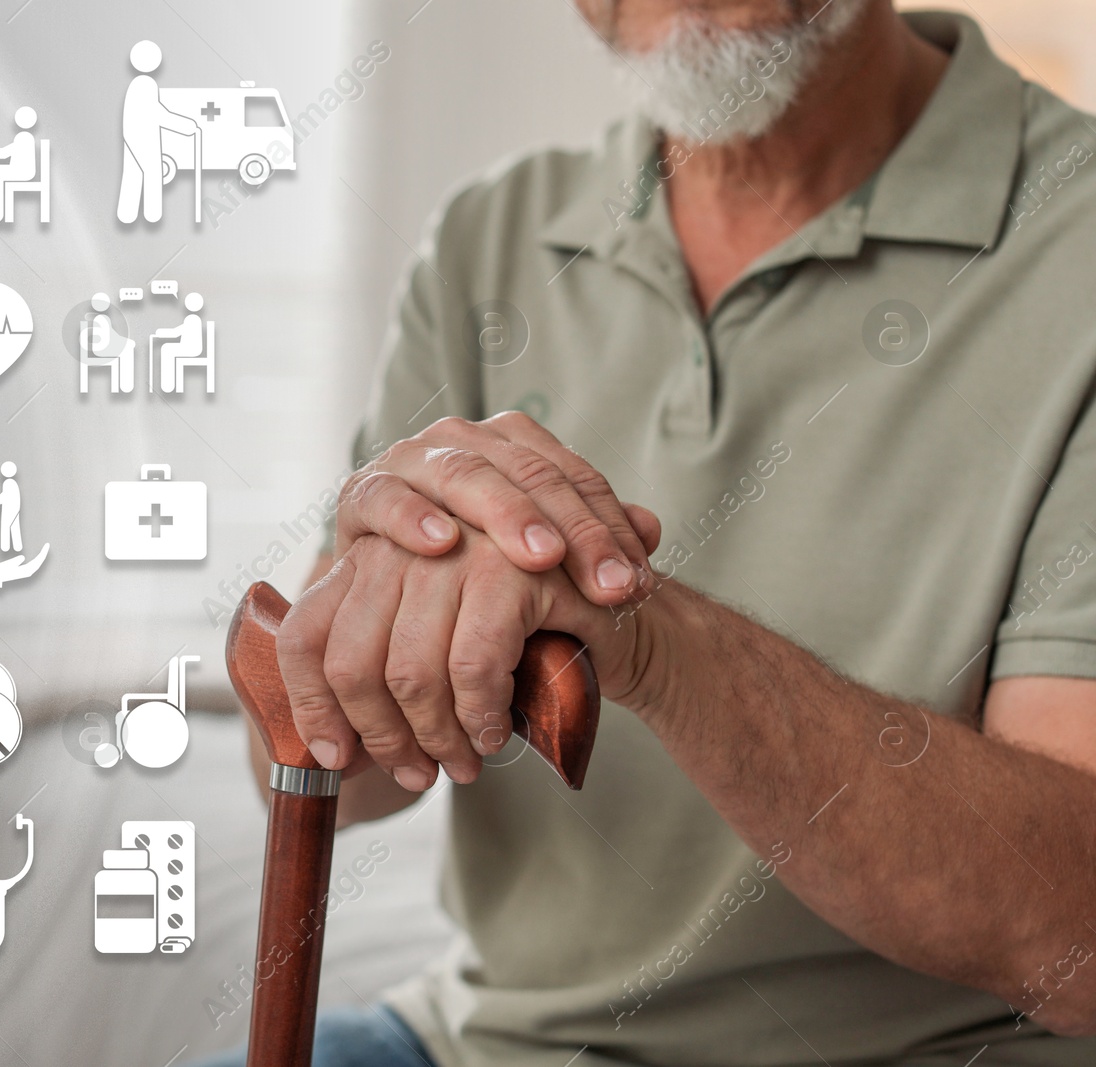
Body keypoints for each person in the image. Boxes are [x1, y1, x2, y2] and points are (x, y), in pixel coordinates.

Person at [205, 3, 1096, 1066]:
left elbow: (1073, 936)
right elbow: (301, 765)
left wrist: (649, 638)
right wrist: (351, 652)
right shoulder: (489, 237)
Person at [117, 40, 199, 224]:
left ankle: (127, 214)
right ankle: (152, 215)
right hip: (143, 138)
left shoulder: (136, 84)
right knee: (153, 174)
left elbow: (152, 112)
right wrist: (186, 126)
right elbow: (157, 113)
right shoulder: (146, 84)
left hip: (132, 136)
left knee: (133, 174)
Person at [0, 106, 38, 223]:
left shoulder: (23, 138)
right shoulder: (26, 137)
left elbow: (5, 153)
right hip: (20, 170)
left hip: (22, 172)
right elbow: (7, 152)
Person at [152, 292, 206, 393]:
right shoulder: (194, 319)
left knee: (166, 349)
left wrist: (160, 332)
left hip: (191, 349)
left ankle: (168, 385)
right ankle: (168, 384)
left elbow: (176, 332)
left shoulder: (191, 319)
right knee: (167, 348)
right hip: (190, 348)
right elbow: (177, 332)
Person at [82, 293, 135, 394]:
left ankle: (125, 384)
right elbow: (108, 337)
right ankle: (126, 384)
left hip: (101, 348)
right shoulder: (101, 319)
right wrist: (125, 342)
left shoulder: (95, 318)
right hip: (103, 350)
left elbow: (110, 335)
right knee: (127, 349)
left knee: (127, 346)